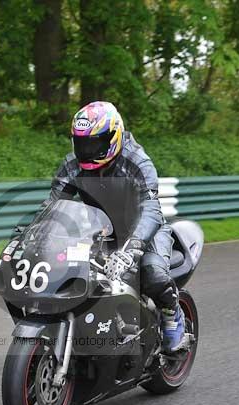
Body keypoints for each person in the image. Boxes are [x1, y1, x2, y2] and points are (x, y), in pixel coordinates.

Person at [38, 101, 187, 353]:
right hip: (100, 232)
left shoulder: (137, 161)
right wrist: (36, 232)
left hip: (143, 230)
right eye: (82, 143)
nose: (87, 150)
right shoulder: (72, 164)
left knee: (152, 274)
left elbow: (151, 209)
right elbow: (53, 204)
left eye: (95, 143)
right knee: (66, 272)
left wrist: (134, 247)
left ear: (113, 136)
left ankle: (173, 316)